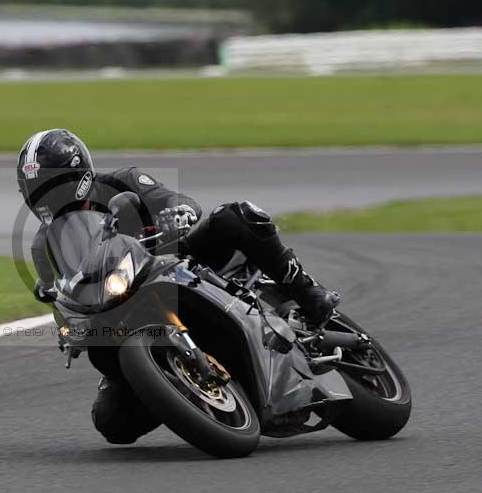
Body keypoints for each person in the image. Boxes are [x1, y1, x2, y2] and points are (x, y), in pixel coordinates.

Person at [17, 128, 340, 444]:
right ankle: (177, 388)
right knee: (112, 424)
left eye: (50, 186)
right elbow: (60, 294)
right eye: (34, 190)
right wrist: (67, 328)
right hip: (120, 308)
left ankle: (307, 291)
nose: (43, 197)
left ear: (79, 175)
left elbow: (170, 198)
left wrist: (180, 212)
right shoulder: (43, 244)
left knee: (235, 216)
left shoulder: (121, 181)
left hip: (175, 263)